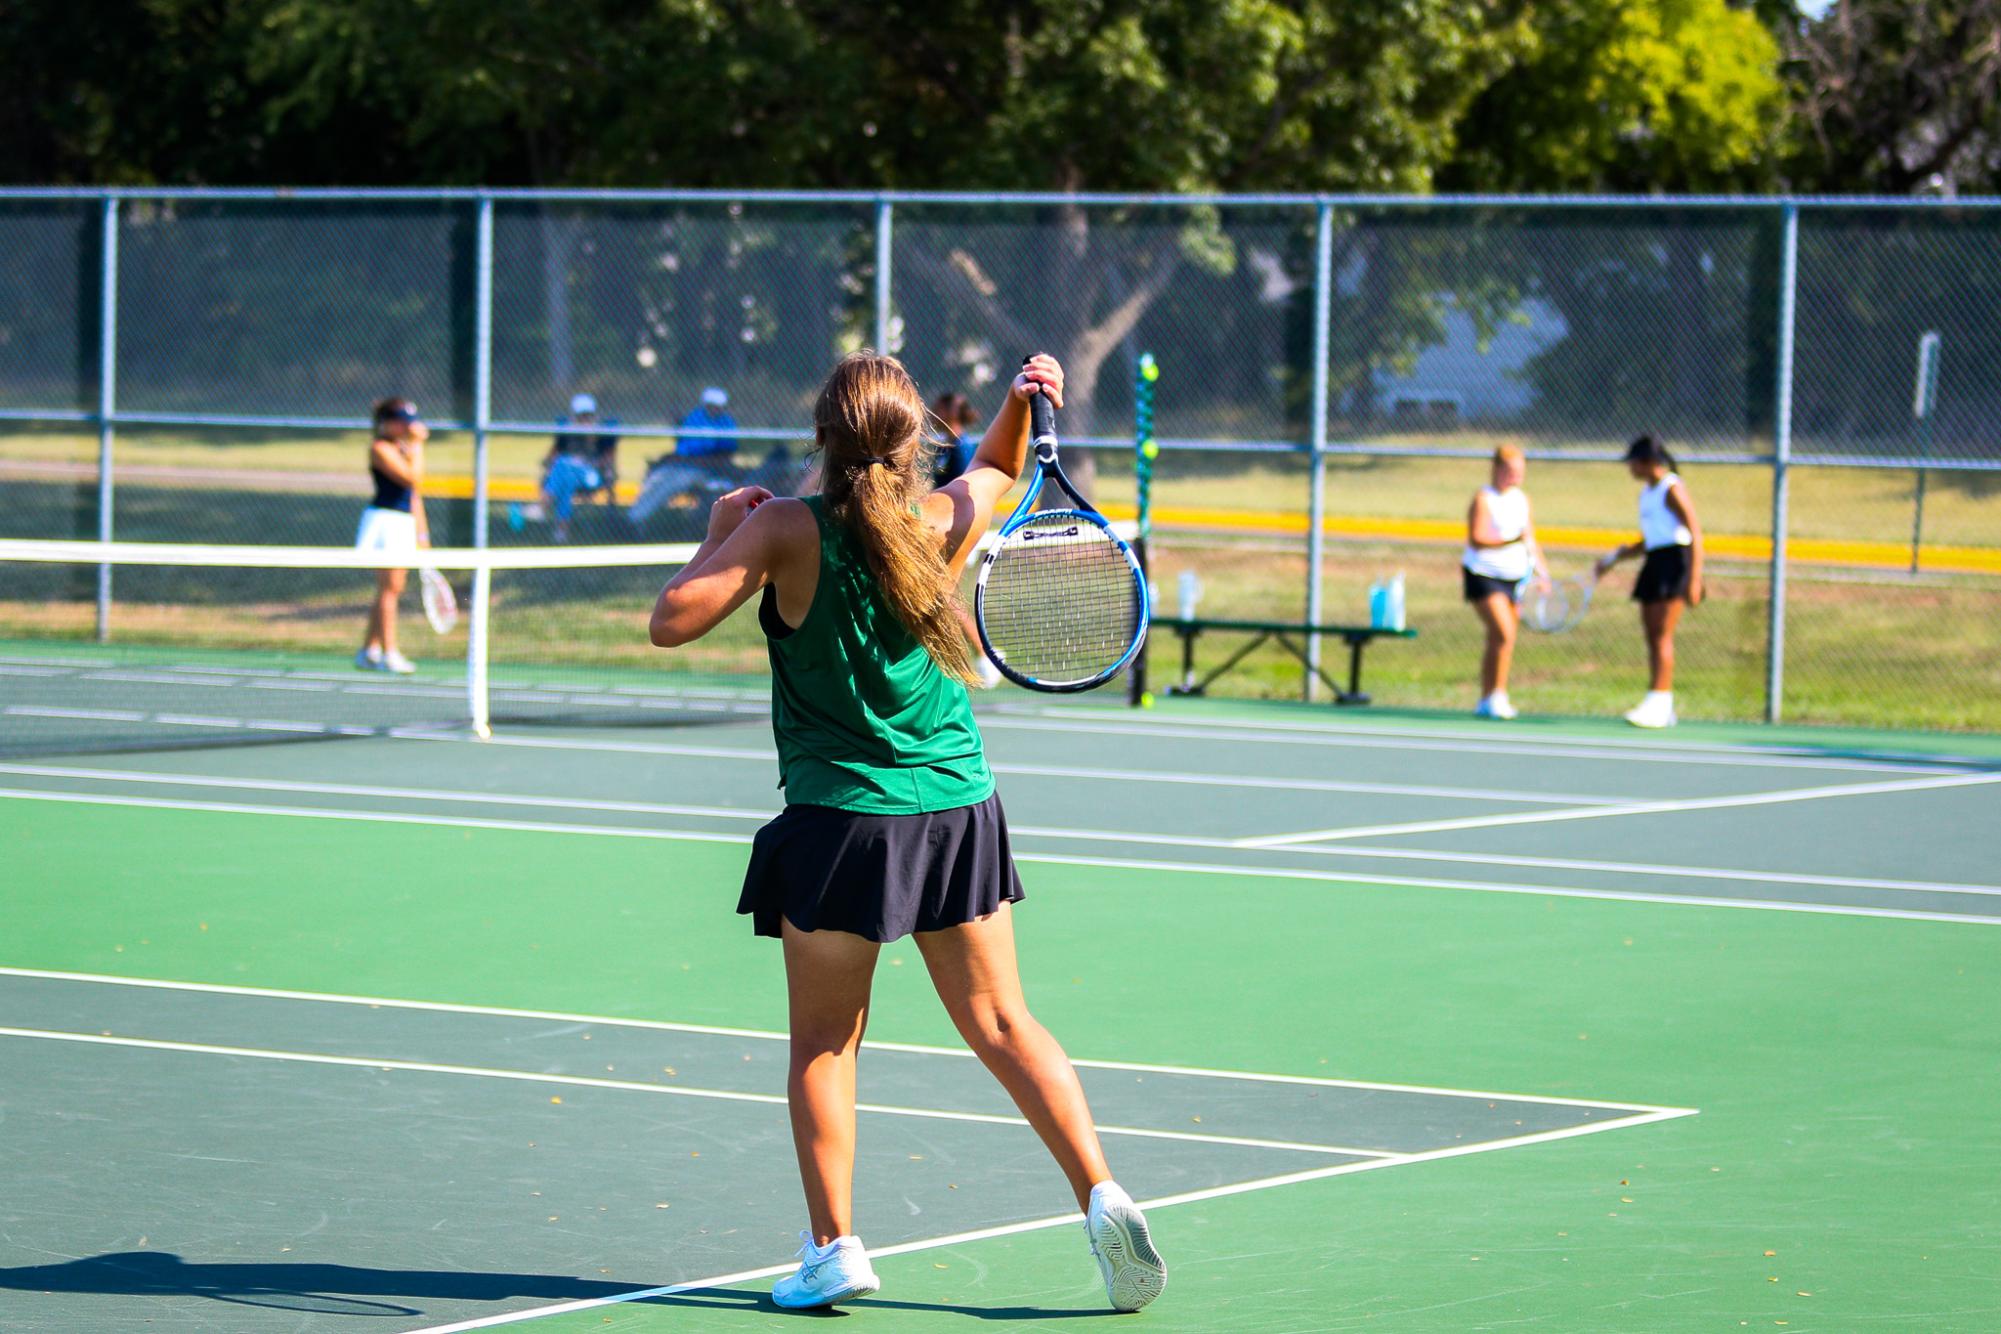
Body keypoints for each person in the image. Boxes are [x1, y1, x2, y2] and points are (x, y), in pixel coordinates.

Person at [647, 352, 1166, 1314]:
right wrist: (1018, 403)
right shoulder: (936, 524)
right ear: (914, 438)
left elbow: (670, 623)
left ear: (822, 439)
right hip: (955, 812)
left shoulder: (781, 529)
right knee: (1006, 1023)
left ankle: (833, 1246)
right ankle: (1104, 1194)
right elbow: (1002, 475)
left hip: (842, 826)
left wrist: (718, 535)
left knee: (825, 1047)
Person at [1595, 434, 1705, 728]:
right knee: (1652, 635)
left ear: (1648, 462)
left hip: (1675, 563)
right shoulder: (1647, 493)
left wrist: (1694, 579)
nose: (1630, 468)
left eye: (1633, 462)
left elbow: (1695, 531)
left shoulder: (1672, 489)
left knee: (1661, 635)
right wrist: (1614, 558)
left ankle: (1660, 699)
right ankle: (1660, 702)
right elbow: (1652, 539)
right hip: (1655, 561)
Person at [1461, 445, 1547, 720]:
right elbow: (1477, 538)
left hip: (1515, 578)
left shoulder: (1522, 499)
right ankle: (1496, 696)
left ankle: (1489, 698)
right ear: (1496, 469)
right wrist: (1511, 540)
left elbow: (1530, 538)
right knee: (1503, 632)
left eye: (1520, 472)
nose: (1516, 477)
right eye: (1510, 471)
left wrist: (1542, 573)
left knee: (1501, 640)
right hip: (1483, 575)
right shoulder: (1483, 498)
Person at [931, 391, 1003, 687]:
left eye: (938, 407)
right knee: (939, 596)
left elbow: (965, 492)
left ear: (949, 412)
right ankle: (970, 656)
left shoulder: (962, 448)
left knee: (941, 595)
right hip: (942, 529)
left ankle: (986, 655)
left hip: (960, 531)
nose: (932, 410)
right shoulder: (942, 446)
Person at [354, 397, 429, 674]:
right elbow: (413, 479)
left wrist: (422, 533)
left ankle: (368, 650)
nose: (407, 426)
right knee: (390, 589)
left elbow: (414, 496)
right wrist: (418, 445)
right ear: (387, 422)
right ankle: (389, 653)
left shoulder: (402, 448)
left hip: (403, 522)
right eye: (401, 421)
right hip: (384, 522)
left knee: (391, 588)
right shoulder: (380, 448)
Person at [540, 393, 620, 542]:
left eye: (588, 415)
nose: (585, 419)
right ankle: (561, 531)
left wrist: (584, 462)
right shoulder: (567, 433)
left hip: (592, 477)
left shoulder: (603, 433)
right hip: (569, 476)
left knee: (563, 464)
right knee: (567, 477)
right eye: (581, 416)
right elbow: (551, 457)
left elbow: (607, 462)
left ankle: (543, 505)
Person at [677, 385, 738, 466]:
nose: (715, 409)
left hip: (716, 457)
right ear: (706, 405)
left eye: (718, 407)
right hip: (692, 457)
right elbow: (689, 444)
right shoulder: (694, 417)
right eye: (712, 406)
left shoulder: (726, 420)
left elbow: (730, 444)